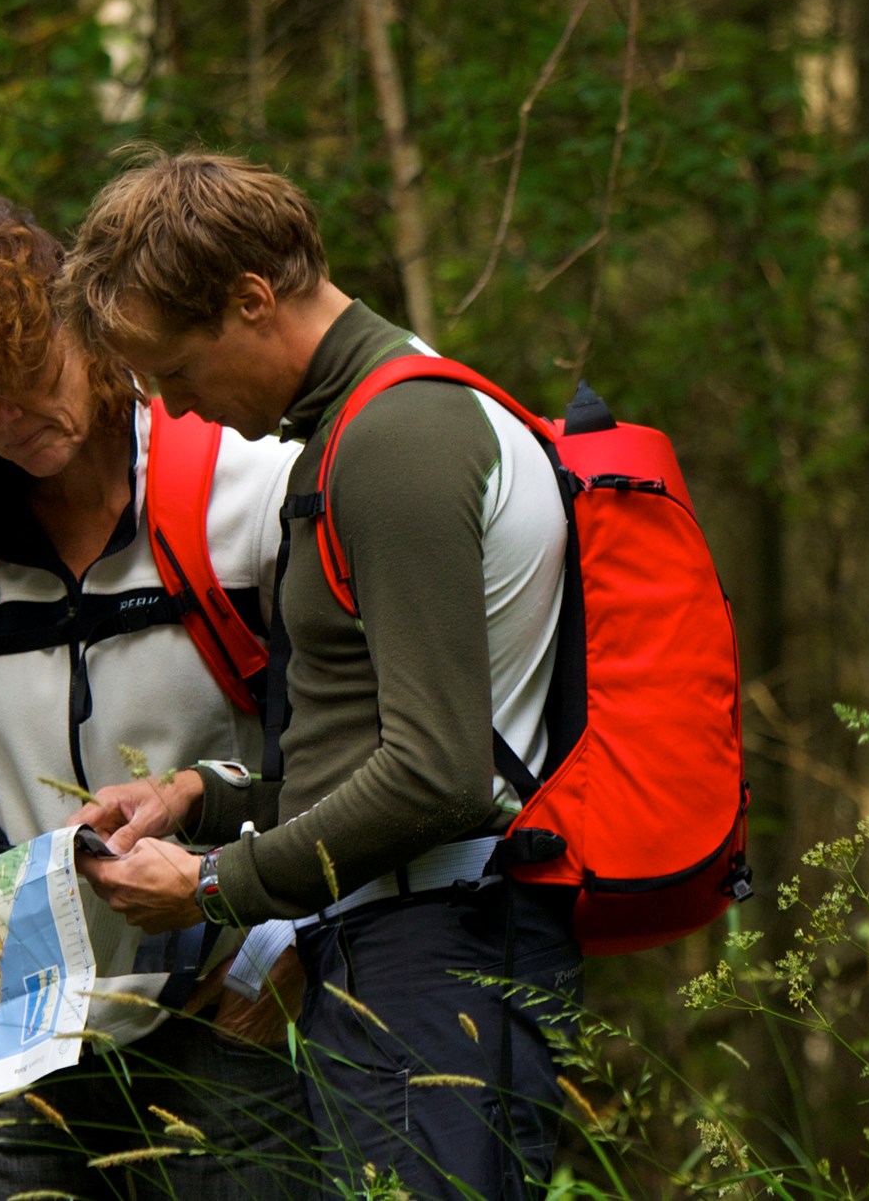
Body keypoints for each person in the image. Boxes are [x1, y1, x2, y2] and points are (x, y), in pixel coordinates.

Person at [61, 152, 580, 1201]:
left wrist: (215, 888)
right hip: (405, 949)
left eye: (180, 367)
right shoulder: (358, 428)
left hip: (442, 960)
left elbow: (436, 776)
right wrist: (201, 801)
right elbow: (381, 749)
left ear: (252, 299)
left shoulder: (397, 437)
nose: (179, 406)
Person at [0, 192, 314, 1201]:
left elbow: (332, 755)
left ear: (87, 328)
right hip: (11, 1038)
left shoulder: (244, 490)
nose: (12, 425)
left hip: (221, 1014)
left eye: (30, 382)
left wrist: (285, 950)